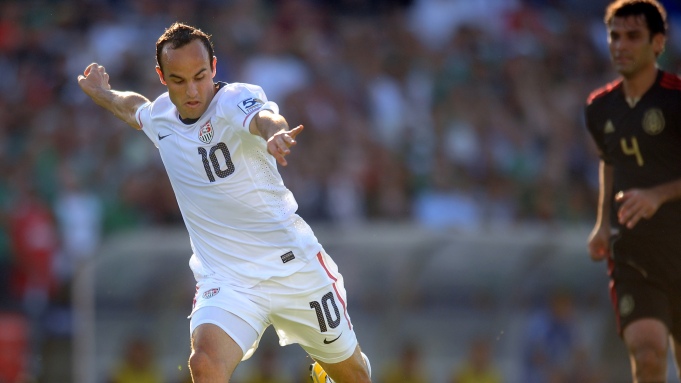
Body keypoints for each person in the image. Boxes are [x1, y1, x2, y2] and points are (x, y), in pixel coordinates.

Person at [77, 22, 371, 383]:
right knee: (205, 363)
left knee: (354, 375)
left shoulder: (234, 99)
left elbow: (263, 117)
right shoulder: (161, 118)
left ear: (214, 68)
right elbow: (133, 107)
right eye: (179, 80)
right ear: (162, 77)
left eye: (200, 76)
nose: (192, 90)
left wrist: (275, 132)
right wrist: (102, 93)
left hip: (292, 267)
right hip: (228, 280)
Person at [585, 1, 681, 381]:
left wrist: (658, 195)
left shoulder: (676, 99)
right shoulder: (599, 108)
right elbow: (609, 162)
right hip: (634, 253)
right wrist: (601, 224)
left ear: (658, 43)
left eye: (633, 36)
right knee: (648, 351)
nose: (620, 45)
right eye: (614, 36)